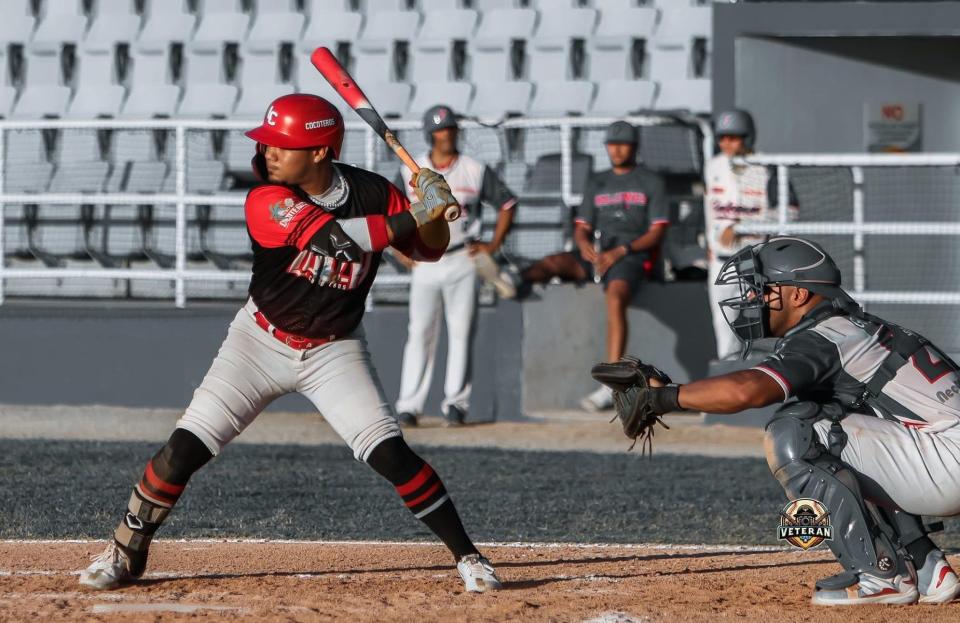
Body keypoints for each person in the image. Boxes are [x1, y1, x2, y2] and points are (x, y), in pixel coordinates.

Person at [78, 94, 502, 593]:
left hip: (333, 347)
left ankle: (469, 556)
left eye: (283, 145)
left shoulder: (375, 192)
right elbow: (337, 242)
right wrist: (415, 213)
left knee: (391, 454)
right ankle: (126, 550)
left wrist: (430, 209)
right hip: (258, 342)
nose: (268, 153)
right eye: (268, 144)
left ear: (320, 151)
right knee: (183, 448)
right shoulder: (265, 198)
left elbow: (428, 250)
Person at [596, 236, 960, 606]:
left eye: (765, 289)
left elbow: (747, 391)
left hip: (945, 463)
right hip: (943, 455)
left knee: (796, 430)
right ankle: (925, 564)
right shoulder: (858, 328)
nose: (754, 299)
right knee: (834, 424)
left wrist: (663, 397)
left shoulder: (826, 335)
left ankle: (881, 575)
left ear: (799, 295)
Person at [516, 121, 669, 412]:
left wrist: (622, 250)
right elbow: (582, 226)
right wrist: (584, 242)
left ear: (635, 147)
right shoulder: (597, 180)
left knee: (615, 298)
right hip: (597, 254)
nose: (617, 149)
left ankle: (612, 383)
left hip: (631, 256)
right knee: (554, 262)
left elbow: (657, 231)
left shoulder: (651, 181)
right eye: (612, 144)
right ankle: (511, 279)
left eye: (623, 144)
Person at [392, 104, 517, 427]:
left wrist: (493, 245)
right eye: (439, 131)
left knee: (461, 332)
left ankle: (455, 405)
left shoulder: (473, 168)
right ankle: (409, 405)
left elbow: (507, 203)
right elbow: (391, 209)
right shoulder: (411, 169)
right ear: (430, 135)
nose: (445, 135)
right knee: (419, 332)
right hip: (425, 260)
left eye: (450, 129)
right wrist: (399, 249)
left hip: (462, 256)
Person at [704, 109, 799, 359]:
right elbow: (708, 209)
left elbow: (789, 212)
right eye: (722, 138)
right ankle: (730, 383)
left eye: (734, 137)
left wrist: (742, 227)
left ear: (748, 137)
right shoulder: (713, 167)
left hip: (756, 261)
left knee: (765, 328)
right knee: (724, 334)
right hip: (720, 263)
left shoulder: (766, 166)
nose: (727, 143)